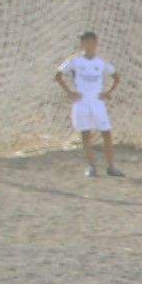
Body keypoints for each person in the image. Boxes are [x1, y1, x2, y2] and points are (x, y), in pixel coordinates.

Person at [54, 32, 120, 178]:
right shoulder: (74, 61)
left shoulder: (100, 62)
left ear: (96, 44)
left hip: (97, 103)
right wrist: (69, 92)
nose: (91, 45)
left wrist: (108, 92)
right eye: (87, 42)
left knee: (106, 133)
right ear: (82, 44)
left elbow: (116, 77)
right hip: (81, 103)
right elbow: (58, 75)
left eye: (93, 42)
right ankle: (91, 167)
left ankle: (111, 167)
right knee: (85, 134)